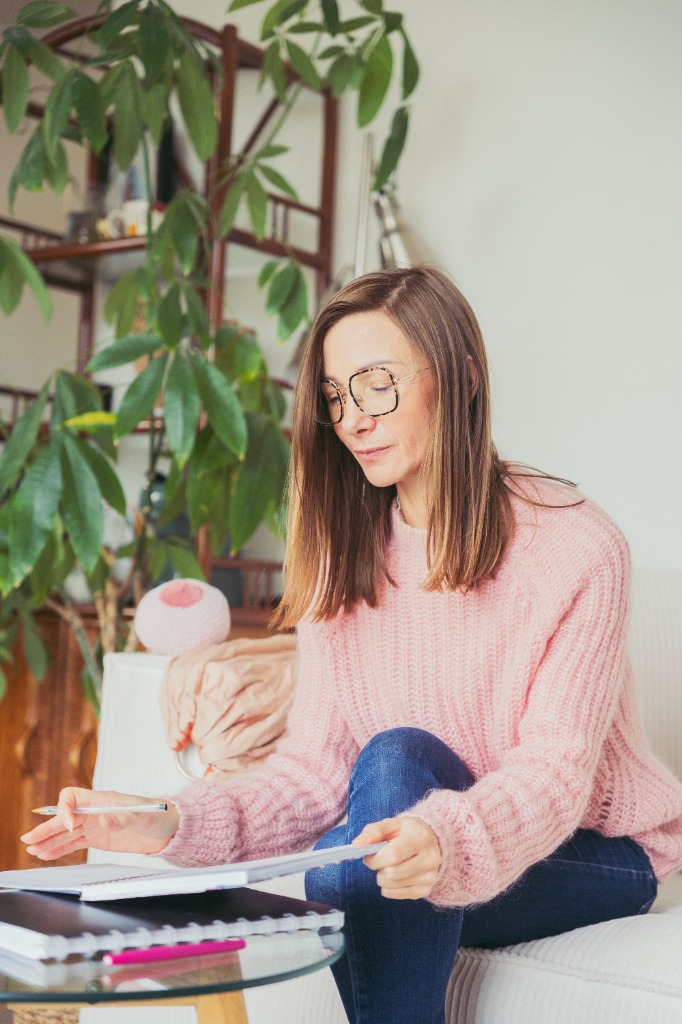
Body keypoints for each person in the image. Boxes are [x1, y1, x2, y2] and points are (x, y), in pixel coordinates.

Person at [22, 265, 682, 1024]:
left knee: (371, 820)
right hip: (416, 836)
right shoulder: (345, 556)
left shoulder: (574, 546)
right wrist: (167, 821)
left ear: (462, 378)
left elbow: (553, 775)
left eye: (377, 385)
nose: (353, 419)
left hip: (595, 853)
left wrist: (445, 836)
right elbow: (312, 776)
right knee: (373, 809)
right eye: (336, 396)